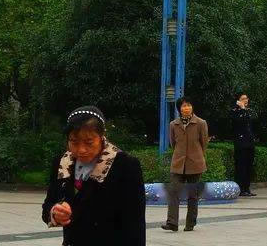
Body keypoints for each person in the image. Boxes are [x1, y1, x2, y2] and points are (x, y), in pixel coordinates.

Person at [41, 106, 145, 245]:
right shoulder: (62, 163)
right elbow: (48, 205)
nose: (81, 150)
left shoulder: (125, 164)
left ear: (101, 136)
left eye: (89, 142)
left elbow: (135, 223)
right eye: (74, 142)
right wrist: (55, 212)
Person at [163, 96, 208, 232]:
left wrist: (197, 156)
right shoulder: (173, 124)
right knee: (173, 192)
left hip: (195, 164)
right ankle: (172, 223)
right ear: (179, 109)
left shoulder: (201, 123)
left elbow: (204, 143)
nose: (186, 108)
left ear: (192, 107)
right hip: (178, 164)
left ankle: (190, 223)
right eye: (183, 106)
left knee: (193, 195)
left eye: (189, 105)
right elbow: (173, 143)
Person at [230, 92, 257, 197]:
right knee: (241, 166)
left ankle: (247, 188)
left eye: (246, 98)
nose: (245, 100)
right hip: (241, 143)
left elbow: (252, 120)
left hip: (250, 142)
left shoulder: (249, 111)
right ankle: (240, 188)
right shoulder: (235, 112)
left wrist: (244, 110)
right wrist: (241, 109)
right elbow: (240, 122)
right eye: (243, 99)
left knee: (249, 166)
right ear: (238, 101)